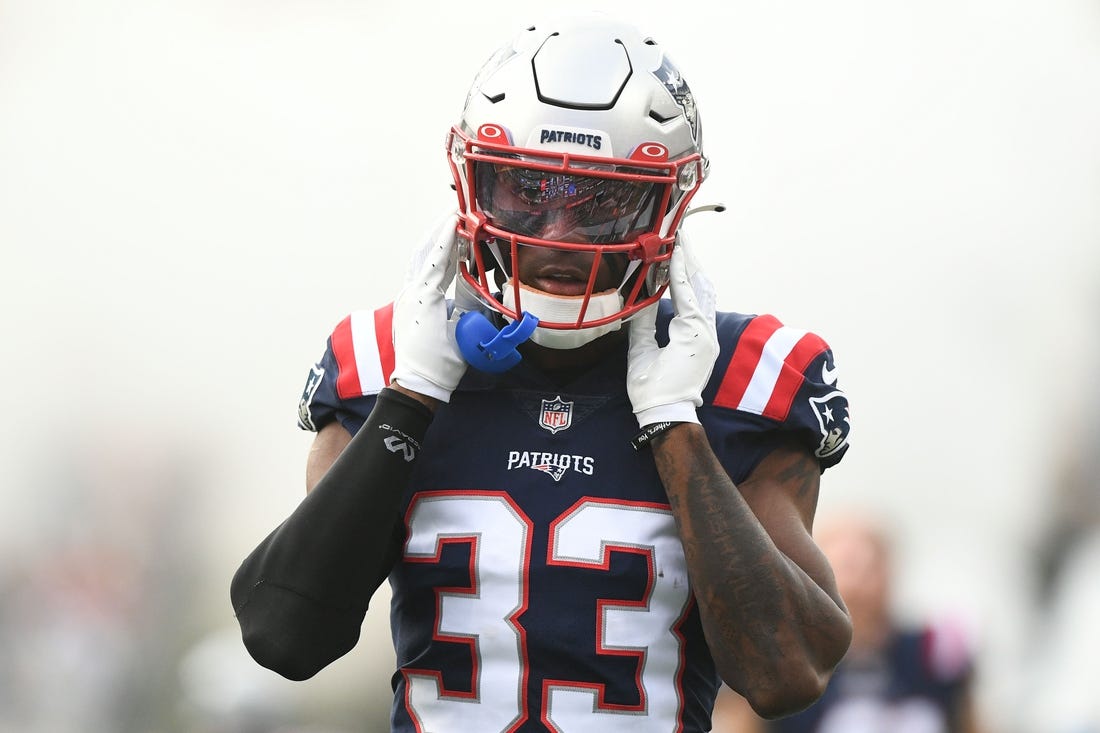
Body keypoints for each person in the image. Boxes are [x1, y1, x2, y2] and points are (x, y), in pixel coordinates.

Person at [230, 13, 854, 732]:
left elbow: (787, 672)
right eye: (527, 188)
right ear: (473, 185)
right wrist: (412, 398)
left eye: (603, 201)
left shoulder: (741, 378)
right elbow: (284, 634)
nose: (558, 238)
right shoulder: (383, 363)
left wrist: (675, 427)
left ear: (670, 203)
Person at [711, 510, 982, 733]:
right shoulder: (778, 660)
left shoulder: (932, 655)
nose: (857, 586)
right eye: (846, 567)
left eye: (868, 567)